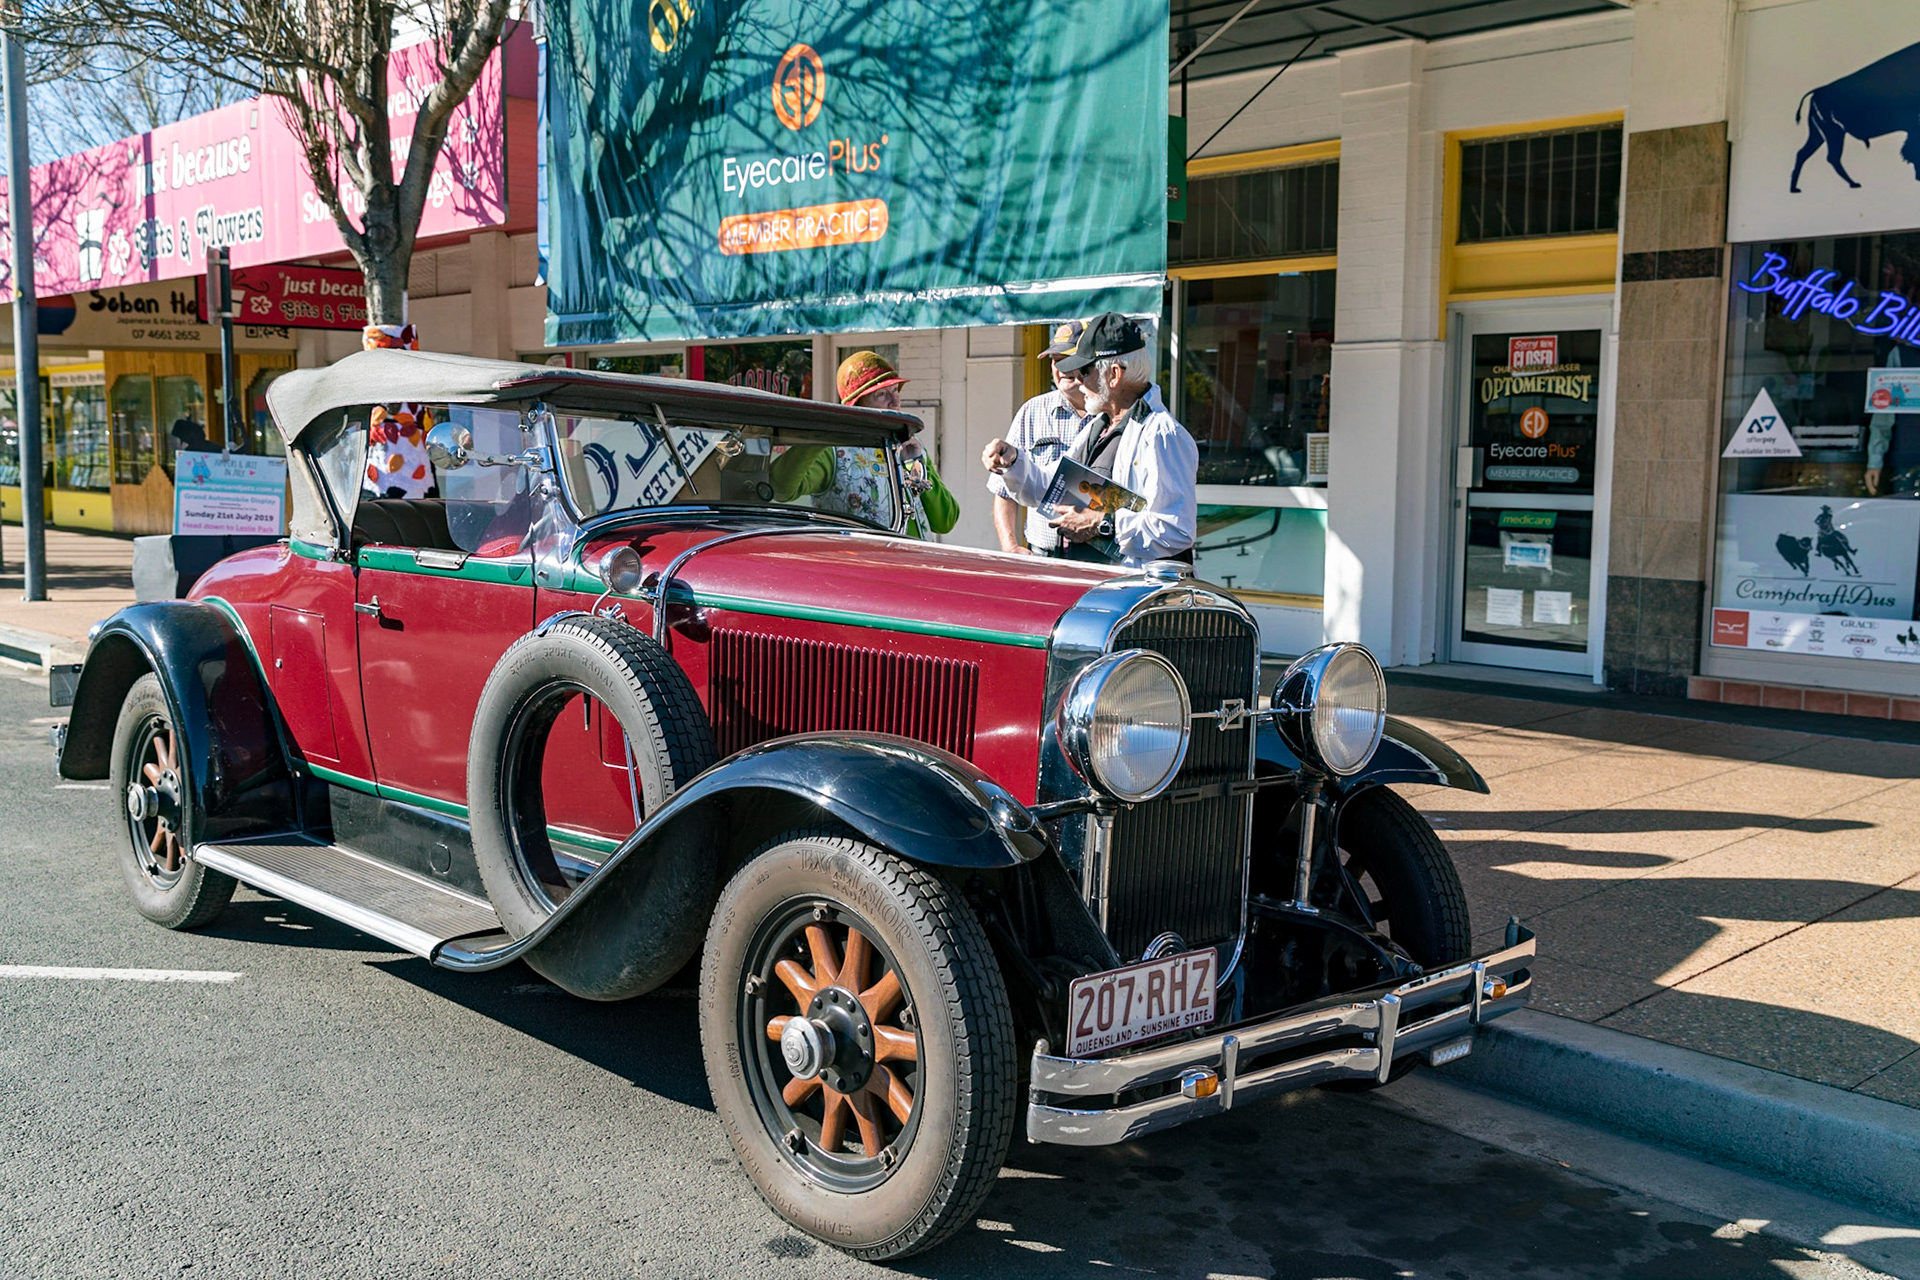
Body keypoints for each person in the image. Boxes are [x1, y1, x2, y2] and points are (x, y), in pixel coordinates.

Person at [981, 312, 1197, 567]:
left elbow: (1176, 530)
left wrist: (1102, 523)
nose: (1078, 380)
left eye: (1084, 370)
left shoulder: (1161, 435)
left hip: (1129, 594)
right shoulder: (1100, 424)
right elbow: (1051, 489)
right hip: (1089, 581)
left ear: (1114, 375)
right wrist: (1013, 460)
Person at [773, 350, 959, 538]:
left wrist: (917, 465)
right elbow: (781, 490)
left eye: (895, 390)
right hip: (859, 564)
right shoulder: (833, 451)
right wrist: (820, 435)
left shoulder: (910, 447)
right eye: (881, 394)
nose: (895, 401)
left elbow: (945, 522)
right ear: (857, 405)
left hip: (911, 563)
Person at [988, 320, 1092, 555]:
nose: (1062, 368)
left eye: (1069, 359)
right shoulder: (1033, 411)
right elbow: (1003, 490)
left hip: (1099, 556)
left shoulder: (1110, 414)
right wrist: (1010, 546)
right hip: (1043, 553)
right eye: (1056, 361)